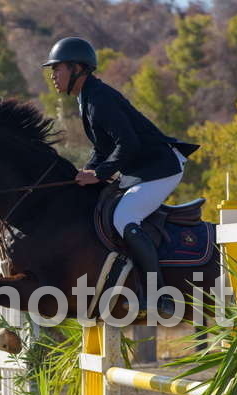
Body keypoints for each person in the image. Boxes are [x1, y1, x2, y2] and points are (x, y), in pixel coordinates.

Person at [43, 37, 199, 319]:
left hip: (161, 168)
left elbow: (128, 144)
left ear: (77, 68)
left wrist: (99, 174)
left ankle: (159, 296)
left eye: (57, 68)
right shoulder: (87, 97)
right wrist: (83, 174)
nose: (53, 75)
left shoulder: (98, 98)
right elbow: (103, 148)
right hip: (140, 170)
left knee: (124, 217)